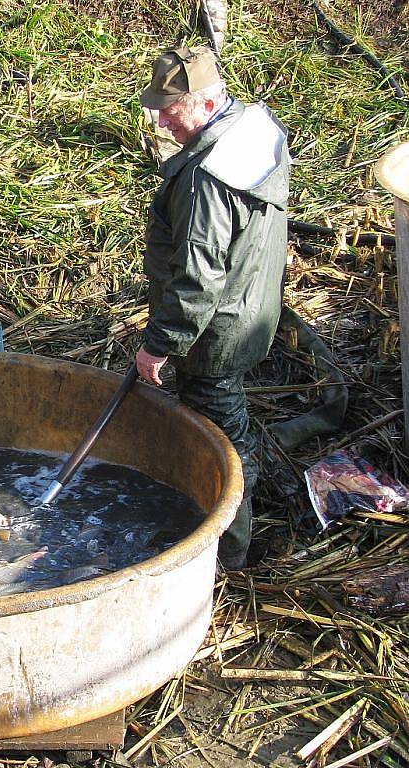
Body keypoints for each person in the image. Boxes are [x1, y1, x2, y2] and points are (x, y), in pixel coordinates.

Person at [136, 46, 290, 569]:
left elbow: (199, 278)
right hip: (252, 311)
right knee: (229, 424)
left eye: (169, 109)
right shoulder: (254, 129)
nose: (160, 119)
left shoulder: (206, 178)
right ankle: (234, 515)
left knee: (222, 441)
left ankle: (227, 556)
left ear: (203, 106)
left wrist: (159, 345)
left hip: (216, 333)